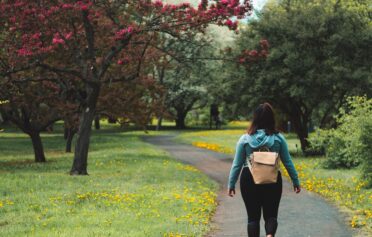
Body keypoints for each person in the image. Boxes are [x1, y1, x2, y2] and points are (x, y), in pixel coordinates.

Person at [227, 103, 301, 237]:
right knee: (271, 214)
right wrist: (295, 181)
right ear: (271, 119)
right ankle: (270, 234)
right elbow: (288, 162)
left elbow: (237, 164)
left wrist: (231, 184)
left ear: (255, 119)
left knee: (253, 217)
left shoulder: (245, 139)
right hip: (272, 180)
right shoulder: (278, 138)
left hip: (249, 179)